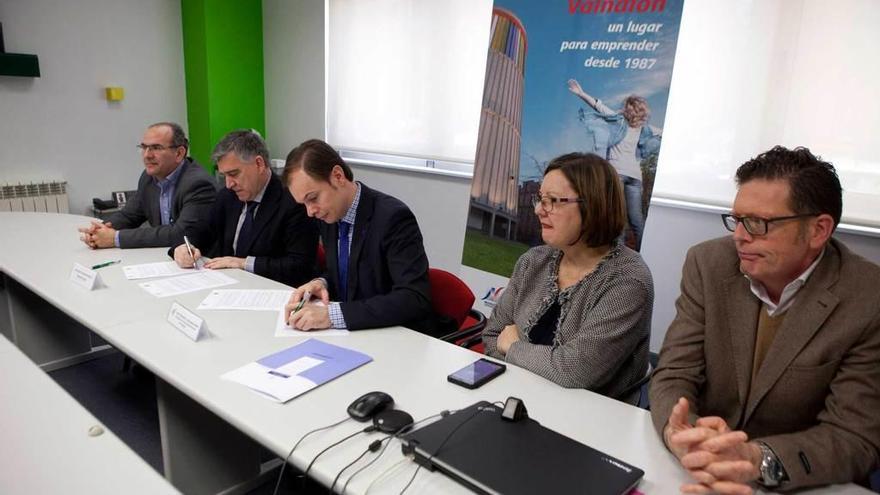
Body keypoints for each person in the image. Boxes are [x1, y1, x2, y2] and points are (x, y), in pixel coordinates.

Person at [649, 146, 880, 493]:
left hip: (803, 482)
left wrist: (756, 460)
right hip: (696, 472)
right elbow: (674, 372)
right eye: (737, 219)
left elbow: (853, 436)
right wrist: (684, 435)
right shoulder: (708, 263)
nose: (739, 236)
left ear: (819, 230)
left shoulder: (868, 297)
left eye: (758, 223)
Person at [482, 152, 653, 405]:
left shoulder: (628, 280)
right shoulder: (533, 261)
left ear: (593, 206)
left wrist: (513, 346)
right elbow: (492, 336)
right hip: (514, 399)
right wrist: (540, 361)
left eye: (552, 201)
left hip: (588, 420)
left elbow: (575, 372)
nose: (540, 210)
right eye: (539, 199)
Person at [280, 139, 448, 336]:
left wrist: (332, 315)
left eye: (313, 198)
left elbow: (413, 298)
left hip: (397, 337)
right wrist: (321, 282)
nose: (310, 212)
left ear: (337, 176)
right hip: (353, 335)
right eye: (303, 204)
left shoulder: (392, 217)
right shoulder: (329, 215)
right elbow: (347, 273)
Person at [170, 130, 317, 287]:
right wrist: (183, 248)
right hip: (227, 286)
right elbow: (199, 231)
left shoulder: (294, 200)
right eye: (224, 176)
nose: (228, 184)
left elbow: (299, 266)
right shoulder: (228, 196)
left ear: (259, 164)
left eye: (234, 174)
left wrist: (243, 263)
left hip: (272, 291)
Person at [78, 122, 216, 248]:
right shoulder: (148, 177)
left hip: (201, 263)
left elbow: (181, 234)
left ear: (179, 153)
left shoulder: (198, 184)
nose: (147, 155)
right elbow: (129, 215)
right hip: (165, 256)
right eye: (144, 147)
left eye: (156, 148)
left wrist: (115, 238)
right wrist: (100, 231)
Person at [567, 78, 662, 250]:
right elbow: (664, 133)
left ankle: (618, 256)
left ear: (627, 109)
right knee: (636, 220)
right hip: (635, 177)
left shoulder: (618, 121)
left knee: (619, 217)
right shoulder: (646, 129)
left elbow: (598, 106)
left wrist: (581, 93)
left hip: (617, 173)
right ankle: (641, 255)